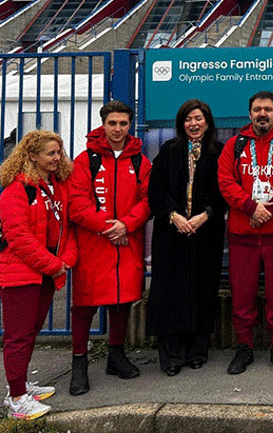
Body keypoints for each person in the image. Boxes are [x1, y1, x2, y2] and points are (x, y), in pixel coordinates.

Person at [217, 91, 273, 374]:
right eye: (257, 109)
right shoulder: (234, 145)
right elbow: (225, 182)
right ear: (250, 113)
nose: (262, 114)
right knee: (242, 296)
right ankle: (244, 347)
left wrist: (272, 207)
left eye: (268, 109)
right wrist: (251, 207)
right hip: (244, 234)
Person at [68, 100, 152, 395]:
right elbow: (77, 204)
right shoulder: (84, 160)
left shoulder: (141, 161)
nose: (118, 129)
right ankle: (79, 363)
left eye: (123, 123)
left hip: (126, 242)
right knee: (84, 305)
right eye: (112, 123)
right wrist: (110, 228)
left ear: (131, 125)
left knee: (122, 301)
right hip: (94, 244)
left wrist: (126, 225)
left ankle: (116, 355)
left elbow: (148, 200)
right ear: (103, 124)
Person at [146, 100, 227, 376]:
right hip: (172, 233)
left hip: (206, 231)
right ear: (181, 124)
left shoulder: (220, 152)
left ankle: (197, 351)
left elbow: (225, 190)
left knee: (203, 289)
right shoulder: (169, 151)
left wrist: (206, 215)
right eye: (188, 119)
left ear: (208, 122)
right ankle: (171, 355)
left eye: (198, 118)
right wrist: (173, 216)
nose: (194, 124)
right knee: (170, 292)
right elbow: (156, 190)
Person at [0, 131, 76, 420]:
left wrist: (65, 260)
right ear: (32, 156)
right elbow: (18, 237)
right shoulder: (17, 189)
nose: (57, 158)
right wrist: (53, 264)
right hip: (21, 274)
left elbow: (66, 227)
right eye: (50, 153)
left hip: (45, 272)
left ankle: (20, 386)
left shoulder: (56, 187)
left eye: (58, 152)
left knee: (30, 332)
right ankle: (17, 399)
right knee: (18, 337)